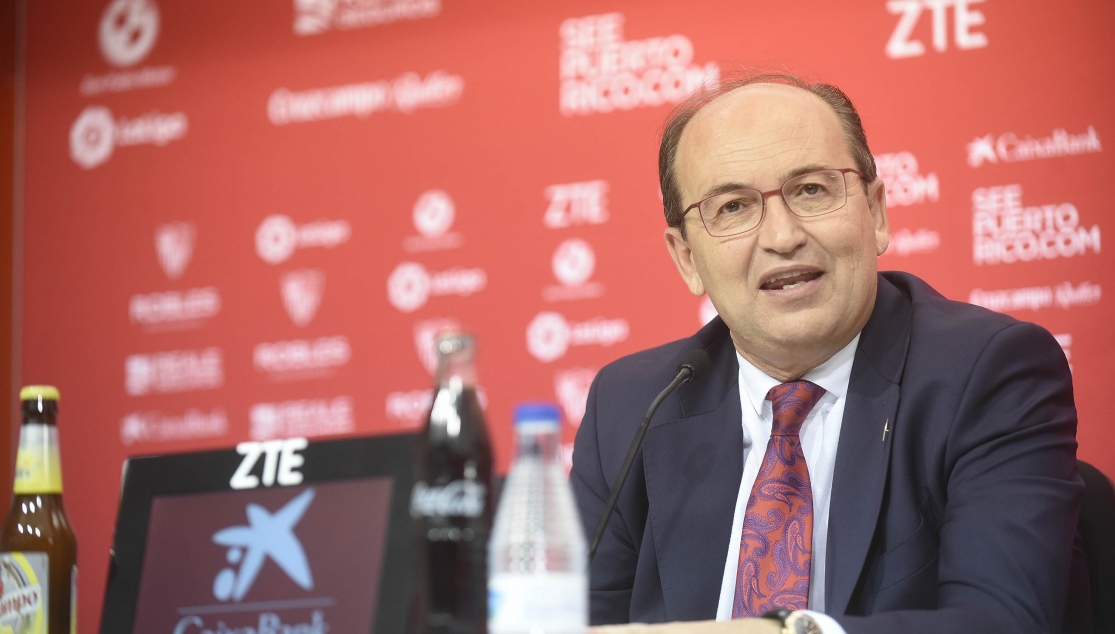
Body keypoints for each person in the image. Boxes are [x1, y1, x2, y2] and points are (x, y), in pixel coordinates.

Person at [570, 74, 1088, 634]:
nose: (783, 236)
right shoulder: (631, 406)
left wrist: (783, 633)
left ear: (876, 210)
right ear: (687, 257)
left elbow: (1002, 623)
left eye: (812, 190)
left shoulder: (989, 372)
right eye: (734, 207)